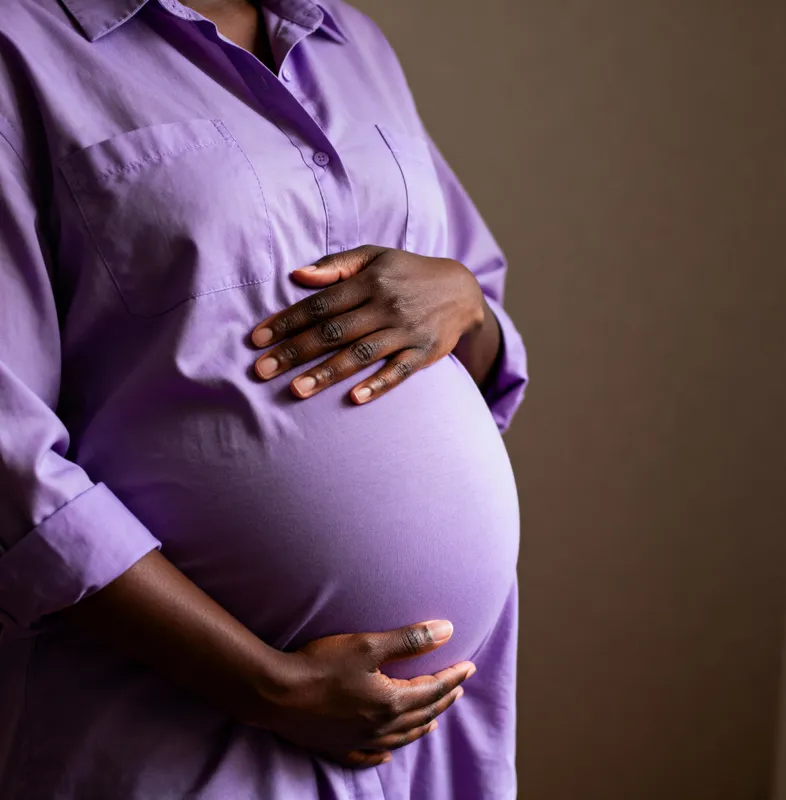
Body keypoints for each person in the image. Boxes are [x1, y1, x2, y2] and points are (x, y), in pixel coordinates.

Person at [0, 0, 528, 797]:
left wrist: (463, 302)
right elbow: (10, 461)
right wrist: (271, 686)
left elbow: (473, 326)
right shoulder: (21, 41)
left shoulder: (351, 42)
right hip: (175, 720)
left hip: (424, 742)